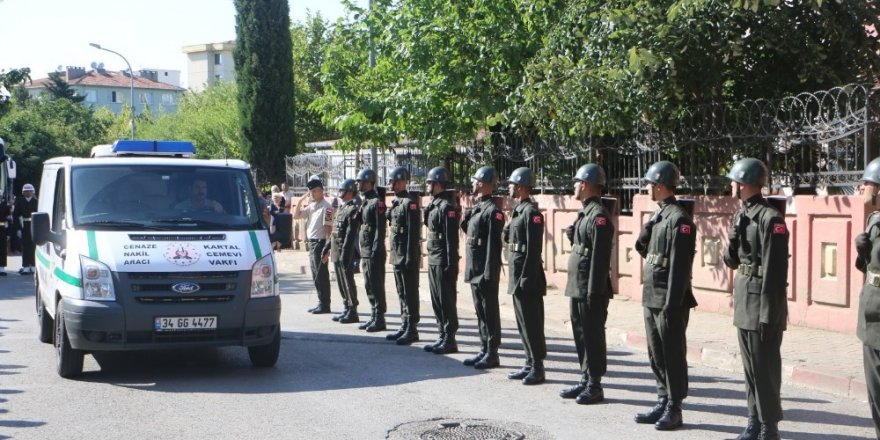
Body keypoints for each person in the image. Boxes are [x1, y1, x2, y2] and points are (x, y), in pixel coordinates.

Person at [723, 158, 789, 440]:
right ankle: (754, 420)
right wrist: (733, 238)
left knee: (766, 368)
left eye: (734, 181)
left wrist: (767, 313)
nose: (731, 186)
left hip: (762, 304)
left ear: (745, 183)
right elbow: (731, 261)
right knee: (750, 367)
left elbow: (775, 273)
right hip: (745, 300)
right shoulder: (743, 215)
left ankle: (769, 426)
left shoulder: (770, 219)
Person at [633, 161, 697, 431]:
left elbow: (680, 269)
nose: (646, 187)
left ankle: (675, 406)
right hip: (652, 295)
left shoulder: (679, 220)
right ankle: (662, 397)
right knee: (656, 352)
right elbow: (645, 249)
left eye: (649, 183)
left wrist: (672, 303)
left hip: (669, 300)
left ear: (660, 186)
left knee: (672, 354)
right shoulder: (659, 216)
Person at [559, 164, 615, 405]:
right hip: (578, 285)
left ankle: (595, 384)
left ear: (584, 184)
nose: (573, 186)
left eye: (576, 182)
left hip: (590, 288)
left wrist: (594, 291)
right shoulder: (586, 212)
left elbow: (600, 260)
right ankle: (585, 378)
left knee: (592, 335)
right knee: (581, 333)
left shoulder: (599, 217)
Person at [504, 167, 547, 385]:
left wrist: (526, 279)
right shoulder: (518, 211)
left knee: (532, 323)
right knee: (522, 323)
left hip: (527, 278)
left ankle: (538, 366)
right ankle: (529, 362)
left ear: (520, 186)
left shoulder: (532, 213)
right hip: (517, 276)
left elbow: (533, 249)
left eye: (511, 184)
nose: (508, 187)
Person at [461, 166, 504, 369]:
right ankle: (483, 347)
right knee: (480, 311)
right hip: (474, 267)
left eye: (474, 180)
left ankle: (492, 352)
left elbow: (494, 247)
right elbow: (467, 230)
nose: (471, 183)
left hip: (485, 270)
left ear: (482, 183)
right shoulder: (478, 207)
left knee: (489, 311)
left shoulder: (493, 212)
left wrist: (489, 272)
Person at [422, 167, 460, 354]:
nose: (427, 185)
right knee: (436, 299)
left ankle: (450, 338)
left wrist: (451, 263)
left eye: (429, 182)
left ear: (438, 184)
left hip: (443, 258)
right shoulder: (434, 204)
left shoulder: (447, 207)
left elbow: (451, 239)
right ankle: (442, 333)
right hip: (433, 256)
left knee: (446, 299)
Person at [384, 166, 422, 345]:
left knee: (410, 292)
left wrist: (410, 256)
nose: (390, 184)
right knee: (401, 291)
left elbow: (413, 234)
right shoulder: (397, 202)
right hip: (397, 254)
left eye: (393, 181)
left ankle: (412, 328)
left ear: (401, 181)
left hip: (406, 255)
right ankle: (404, 323)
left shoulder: (409, 203)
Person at [857, 157, 880, 440]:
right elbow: (870, 268)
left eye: (868, 183)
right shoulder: (874, 220)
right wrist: (861, 252)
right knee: (875, 391)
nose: (863, 188)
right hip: (872, 313)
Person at [293, 175, 334, 314]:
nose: (313, 193)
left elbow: (329, 229)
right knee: (315, 274)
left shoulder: (327, 207)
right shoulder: (311, 206)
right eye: (311, 191)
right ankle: (320, 302)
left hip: (320, 243)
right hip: (312, 244)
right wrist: (300, 200)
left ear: (322, 191)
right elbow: (296, 216)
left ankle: (325, 304)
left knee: (321, 275)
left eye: (316, 190)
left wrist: (327, 250)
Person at [356, 169, 388, 332]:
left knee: (376, 284)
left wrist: (376, 248)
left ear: (369, 183)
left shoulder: (377, 202)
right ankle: (374, 315)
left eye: (361, 181)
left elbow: (380, 229)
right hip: (366, 248)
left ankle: (380, 318)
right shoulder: (366, 201)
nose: (358, 184)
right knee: (369, 283)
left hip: (374, 249)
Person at [326, 179, 362, 324]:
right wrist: (327, 247)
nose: (340, 194)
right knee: (340, 281)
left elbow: (350, 234)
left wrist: (346, 254)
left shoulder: (353, 209)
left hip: (345, 250)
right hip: (336, 248)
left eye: (343, 191)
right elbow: (335, 231)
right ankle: (346, 306)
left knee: (348, 281)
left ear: (350, 192)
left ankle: (353, 310)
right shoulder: (341, 208)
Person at [14, 183, 38, 275]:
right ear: (23, 193)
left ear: (33, 192)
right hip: (24, 225)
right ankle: (26, 266)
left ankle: (34, 265)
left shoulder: (36, 202)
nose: (28, 192)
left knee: (34, 246)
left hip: (34, 224)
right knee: (25, 246)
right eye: (26, 191)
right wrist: (18, 229)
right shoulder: (20, 202)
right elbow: (16, 216)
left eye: (30, 191)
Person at [0, 195, 9, 276]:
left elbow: (8, 219)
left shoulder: (4, 205)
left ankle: (2, 268)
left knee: (2, 248)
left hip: (2, 228)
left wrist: (8, 232)